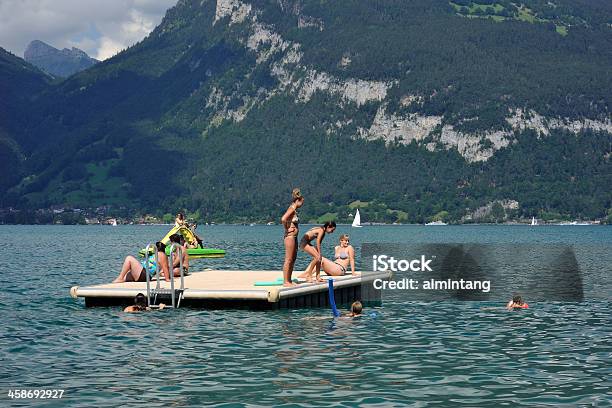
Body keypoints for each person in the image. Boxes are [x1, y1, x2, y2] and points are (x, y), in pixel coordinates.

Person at [281, 188, 304, 287]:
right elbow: (283, 219)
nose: (302, 205)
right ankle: (286, 281)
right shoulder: (292, 208)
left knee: (293, 258)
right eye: (302, 202)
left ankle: (289, 280)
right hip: (290, 237)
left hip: (294, 236)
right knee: (288, 259)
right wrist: (287, 228)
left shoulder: (295, 210)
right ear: (298, 200)